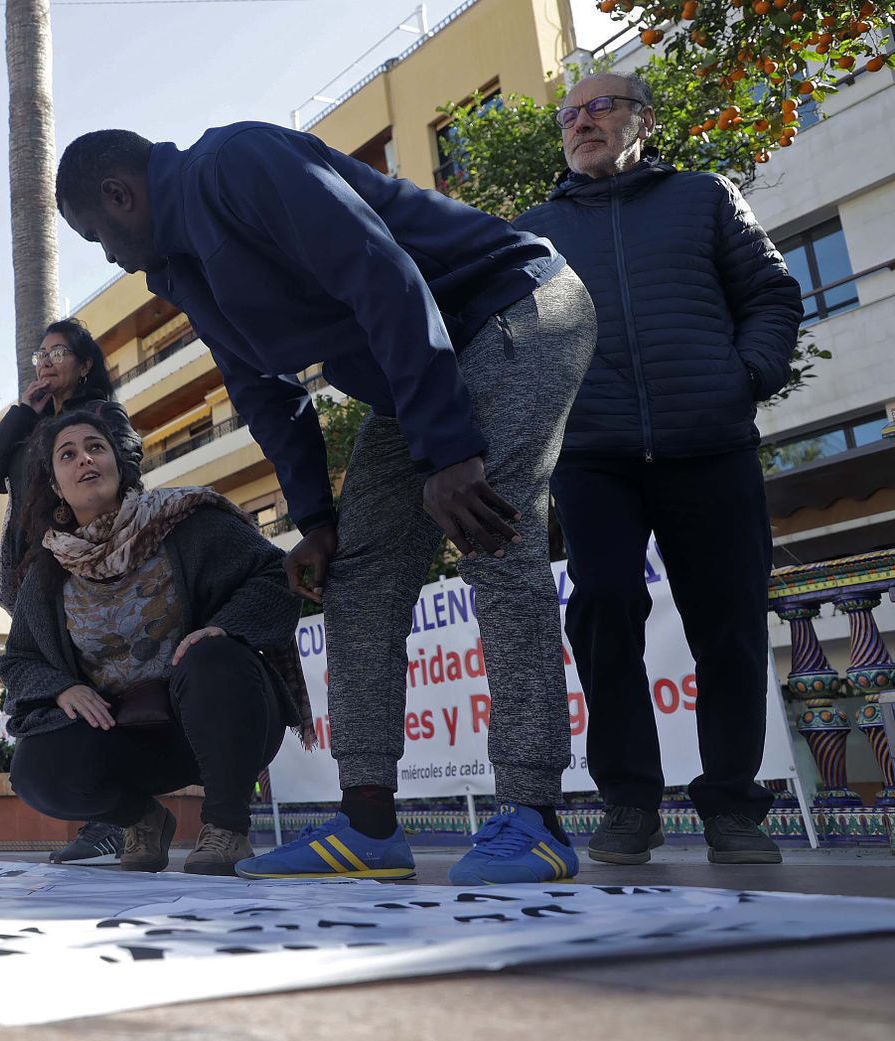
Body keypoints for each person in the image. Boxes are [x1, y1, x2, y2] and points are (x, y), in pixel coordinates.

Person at [57, 123, 597, 884]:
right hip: (411, 368)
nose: (106, 253)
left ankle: (533, 816)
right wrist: (314, 519)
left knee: (492, 537)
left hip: (512, 308)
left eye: (95, 234)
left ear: (120, 194)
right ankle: (370, 822)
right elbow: (262, 391)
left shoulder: (235, 164)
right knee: (359, 575)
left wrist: (447, 449)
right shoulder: (179, 271)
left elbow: (382, 272)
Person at [513, 74, 800, 867]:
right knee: (603, 610)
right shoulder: (533, 230)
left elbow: (772, 293)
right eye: (570, 115)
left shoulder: (705, 197)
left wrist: (744, 375)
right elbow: (506, 341)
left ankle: (735, 807)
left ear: (643, 119)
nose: (581, 122)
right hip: (592, 453)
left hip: (709, 441)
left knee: (730, 623)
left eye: (599, 107)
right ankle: (631, 802)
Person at [0, 411, 314, 875]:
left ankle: (226, 828)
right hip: (127, 743)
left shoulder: (187, 521)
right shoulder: (46, 573)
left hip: (223, 718)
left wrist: (226, 626)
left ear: (117, 463)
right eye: (68, 455)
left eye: (95, 447)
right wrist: (62, 689)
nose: (84, 458)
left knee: (212, 656)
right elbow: (19, 660)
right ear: (57, 487)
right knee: (35, 770)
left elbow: (275, 574)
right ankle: (141, 820)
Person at [0, 317, 141, 868]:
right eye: (39, 355)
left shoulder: (99, 417)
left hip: (84, 565)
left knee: (94, 680)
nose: (46, 363)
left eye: (58, 353)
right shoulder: (29, 427)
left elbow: (129, 465)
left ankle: (109, 823)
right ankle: (106, 815)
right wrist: (24, 411)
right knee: (51, 687)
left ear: (86, 364)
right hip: (33, 573)